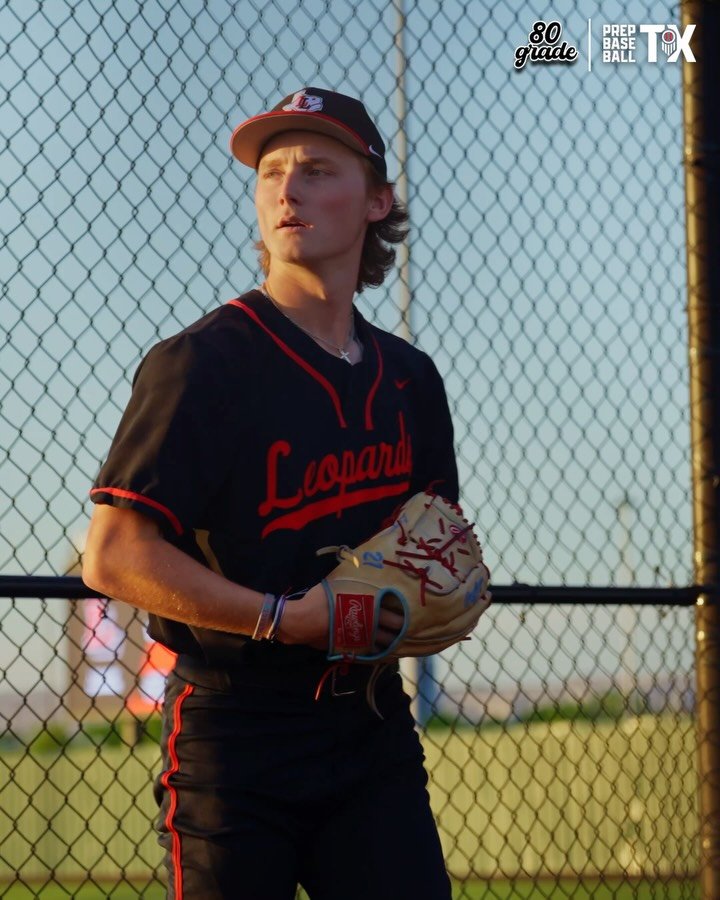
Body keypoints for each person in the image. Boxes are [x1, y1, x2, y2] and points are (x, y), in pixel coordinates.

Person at [83, 87, 460, 900]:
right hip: (234, 732)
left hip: (369, 726)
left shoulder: (410, 380)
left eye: (318, 170)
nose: (286, 190)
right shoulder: (205, 363)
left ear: (376, 201)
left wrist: (442, 590)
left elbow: (437, 542)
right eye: (271, 173)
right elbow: (114, 556)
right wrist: (282, 619)